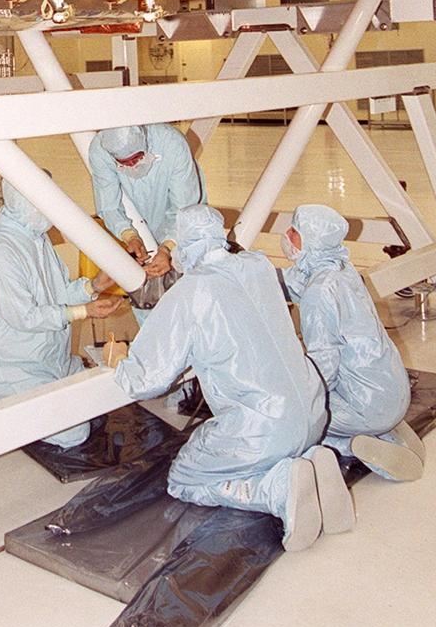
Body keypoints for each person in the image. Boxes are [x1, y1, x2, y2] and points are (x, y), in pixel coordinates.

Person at [112, 204, 354, 551]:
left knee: (185, 478)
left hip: (263, 429)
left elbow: (149, 379)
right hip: (314, 413)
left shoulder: (190, 291)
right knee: (261, 439)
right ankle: (310, 466)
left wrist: (121, 363)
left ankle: (278, 489)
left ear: (183, 242)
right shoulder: (259, 265)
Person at [0, 177, 121, 448]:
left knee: (98, 394)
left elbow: (58, 293)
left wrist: (93, 286)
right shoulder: (1, 252)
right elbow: (24, 317)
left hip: (46, 358)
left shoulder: (35, 237)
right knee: (74, 433)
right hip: (7, 363)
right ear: (25, 204)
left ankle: (16, 395)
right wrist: (84, 311)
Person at [282, 203, 425, 481]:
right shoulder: (343, 270)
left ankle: (353, 443)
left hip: (366, 404)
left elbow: (324, 367)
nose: (287, 235)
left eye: (294, 231)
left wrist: (295, 400)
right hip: (392, 390)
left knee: (288, 416)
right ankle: (386, 430)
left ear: (311, 240)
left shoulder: (319, 293)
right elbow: (296, 281)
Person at [88, 124, 204, 278]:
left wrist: (167, 248)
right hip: (139, 221)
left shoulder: (170, 142)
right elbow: (108, 205)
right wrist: (129, 236)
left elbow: (184, 207)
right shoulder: (100, 150)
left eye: (136, 159)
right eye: (123, 163)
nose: (132, 166)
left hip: (182, 227)